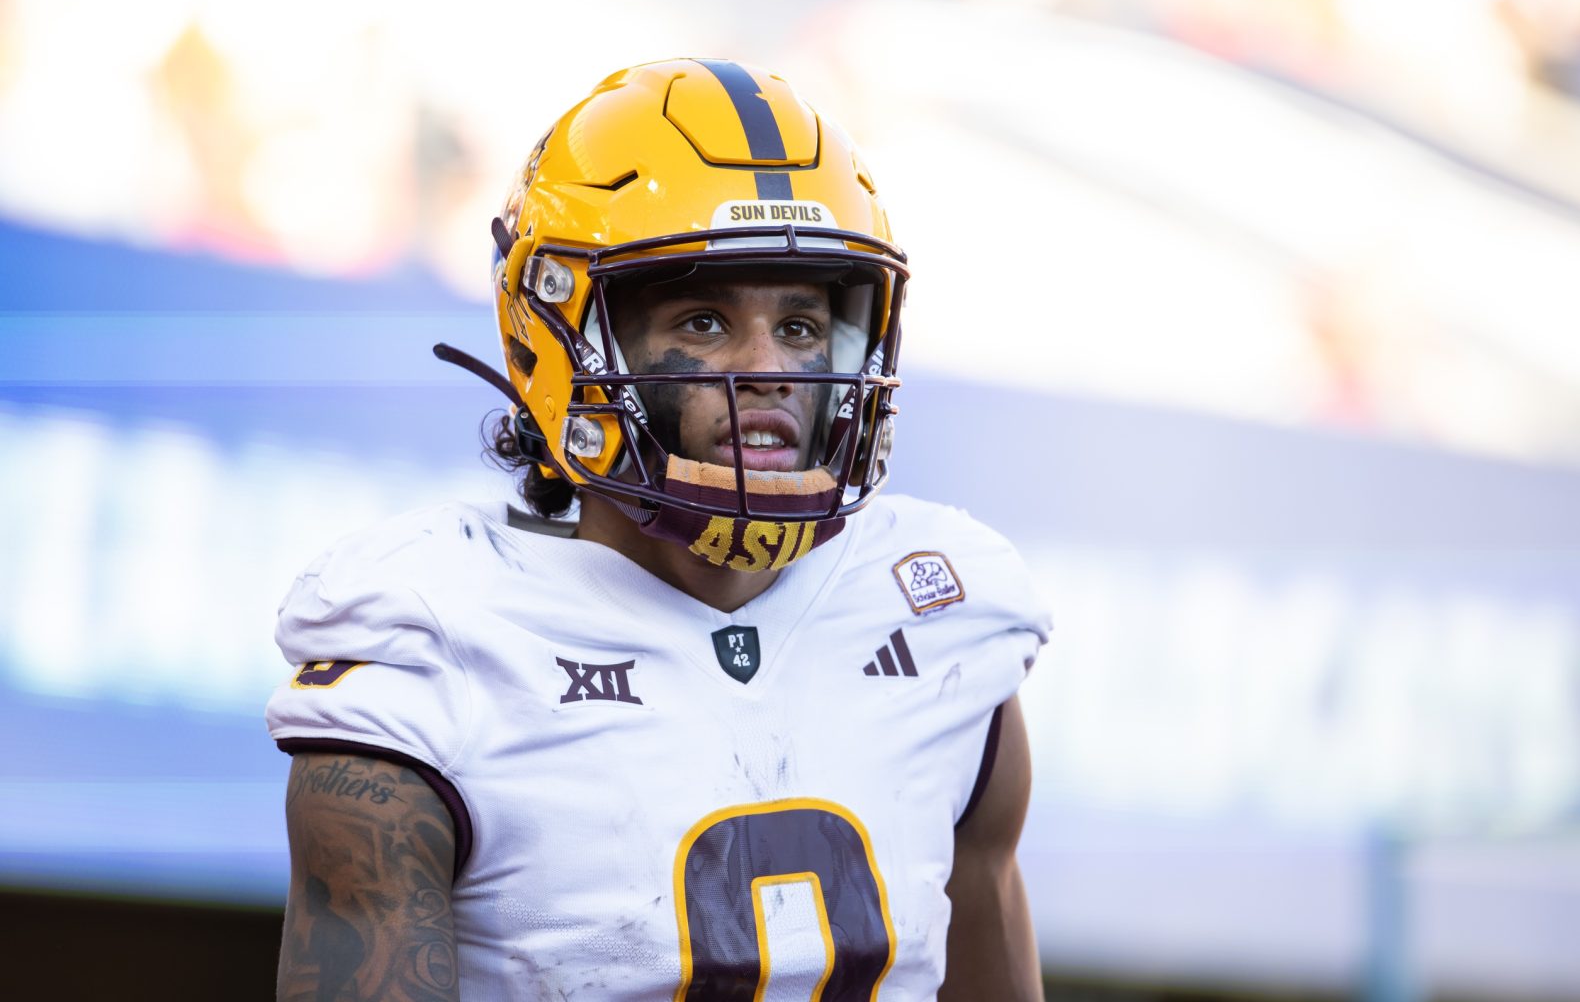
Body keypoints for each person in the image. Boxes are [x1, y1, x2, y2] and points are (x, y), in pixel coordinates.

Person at [267, 58, 1049, 1001]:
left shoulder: (941, 612)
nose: (770, 371)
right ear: (558, 339)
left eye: (803, 327)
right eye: (706, 320)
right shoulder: (434, 650)